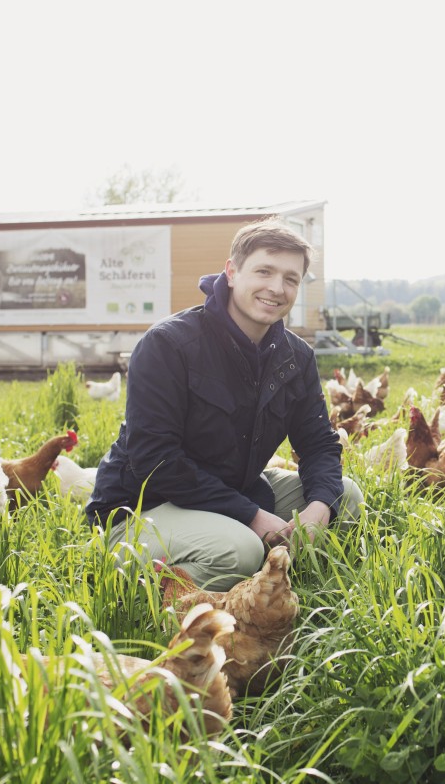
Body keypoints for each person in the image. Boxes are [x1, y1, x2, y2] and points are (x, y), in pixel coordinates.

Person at [86, 219, 363, 590]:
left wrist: (317, 510)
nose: (276, 288)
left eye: (290, 279)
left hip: (233, 494)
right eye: (264, 271)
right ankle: (144, 601)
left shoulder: (296, 357)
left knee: (343, 496)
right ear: (232, 272)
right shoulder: (169, 344)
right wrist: (251, 516)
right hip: (142, 508)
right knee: (240, 552)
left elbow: (318, 445)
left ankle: (277, 588)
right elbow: (154, 458)